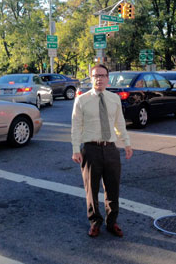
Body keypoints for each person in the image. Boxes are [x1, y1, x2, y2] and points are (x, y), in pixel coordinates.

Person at [71, 64, 133, 238]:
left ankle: (112, 222)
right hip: (90, 150)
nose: (99, 78)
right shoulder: (81, 100)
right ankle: (95, 222)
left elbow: (119, 123)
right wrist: (76, 149)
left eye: (102, 75)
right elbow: (76, 126)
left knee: (113, 188)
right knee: (91, 189)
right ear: (91, 78)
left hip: (111, 149)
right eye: (95, 75)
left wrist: (127, 144)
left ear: (108, 78)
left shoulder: (114, 99)